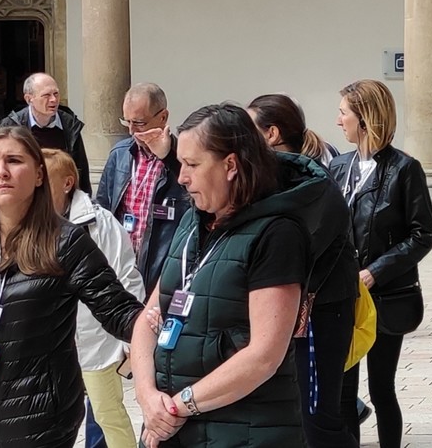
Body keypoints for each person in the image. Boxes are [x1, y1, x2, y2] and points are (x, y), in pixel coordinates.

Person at [0, 126, 144, 447]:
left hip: (44, 420)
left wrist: (158, 333)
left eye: (14, 161)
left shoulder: (65, 242)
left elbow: (119, 312)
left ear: (39, 174)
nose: (1, 172)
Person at [130, 104, 319, 448]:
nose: (181, 177)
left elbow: (264, 355)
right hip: (174, 429)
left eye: (192, 165)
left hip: (245, 433)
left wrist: (178, 407)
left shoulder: (277, 234)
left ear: (230, 165)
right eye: (180, 163)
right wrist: (147, 396)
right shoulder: (193, 221)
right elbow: (148, 316)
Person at [247, 93, 361, 447]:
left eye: (250, 130)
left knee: (317, 419)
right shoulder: (275, 180)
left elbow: (309, 251)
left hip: (319, 311)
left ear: (272, 134)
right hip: (292, 310)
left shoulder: (309, 184)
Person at [329, 79, 432, 448]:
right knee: (343, 393)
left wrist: (376, 271)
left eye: (343, 113)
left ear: (364, 117)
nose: (338, 120)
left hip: (385, 297)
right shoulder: (338, 167)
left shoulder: (404, 169)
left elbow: (423, 234)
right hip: (342, 296)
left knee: (381, 388)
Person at [43, 148, 142, 448]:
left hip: (96, 341)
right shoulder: (30, 224)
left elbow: (127, 277)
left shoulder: (101, 223)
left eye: (44, 182)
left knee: (107, 413)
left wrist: (132, 339)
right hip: (48, 343)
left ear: (67, 183)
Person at [97, 83, 190, 296]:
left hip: (161, 270)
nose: (131, 131)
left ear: (163, 117)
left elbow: (195, 203)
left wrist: (168, 158)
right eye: (127, 122)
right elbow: (102, 210)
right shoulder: (119, 154)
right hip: (120, 268)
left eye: (139, 123)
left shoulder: (182, 157)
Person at [0, 72, 91, 193]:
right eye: (46, 95)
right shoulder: (12, 126)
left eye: (56, 94)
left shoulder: (69, 125)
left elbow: (81, 168)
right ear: (29, 99)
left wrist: (84, 198)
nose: (54, 100)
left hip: (62, 195)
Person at [247, 93, 340, 167]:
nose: (244, 136)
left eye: (249, 129)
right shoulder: (326, 155)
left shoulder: (272, 177)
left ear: (272, 134)